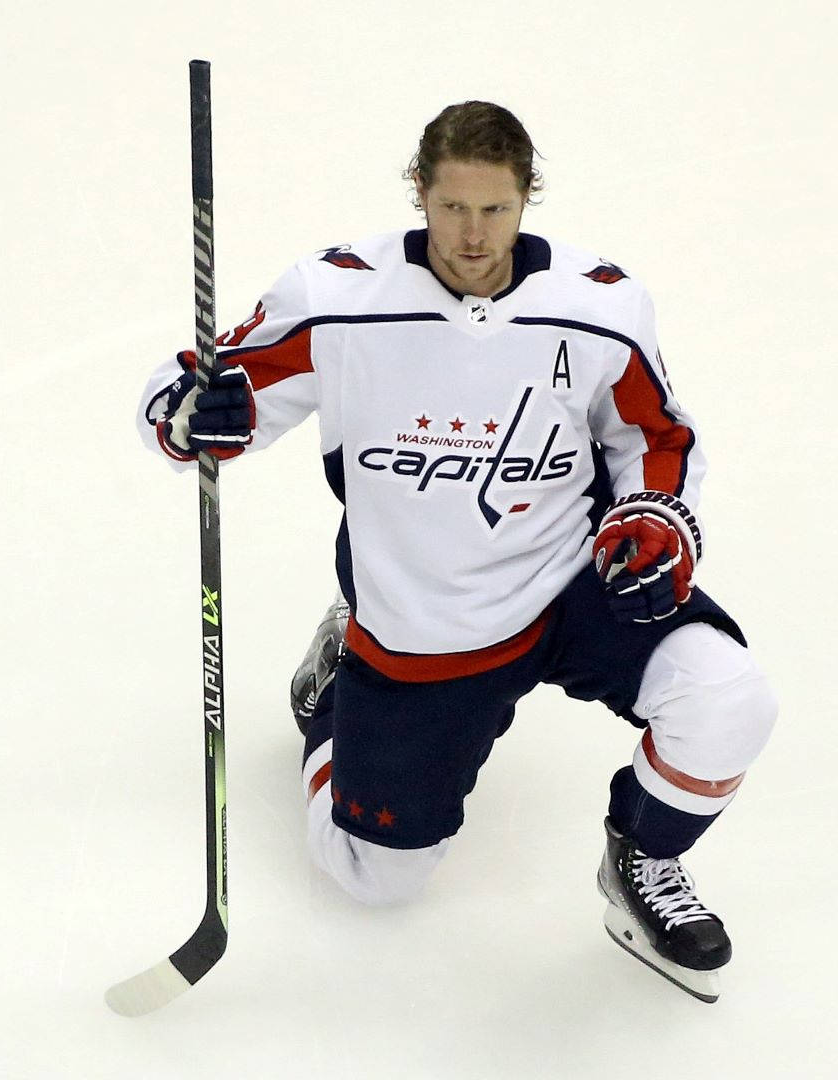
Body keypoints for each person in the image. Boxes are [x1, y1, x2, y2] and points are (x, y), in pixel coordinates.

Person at [135, 101, 777, 1003]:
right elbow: (191, 397)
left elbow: (655, 435)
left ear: (527, 201)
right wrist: (195, 417)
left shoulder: (599, 308)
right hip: (422, 618)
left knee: (731, 700)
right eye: (451, 209)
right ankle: (334, 698)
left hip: (571, 581)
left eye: (496, 211)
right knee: (373, 879)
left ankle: (643, 861)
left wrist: (657, 519)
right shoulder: (338, 300)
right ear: (419, 195)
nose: (473, 237)